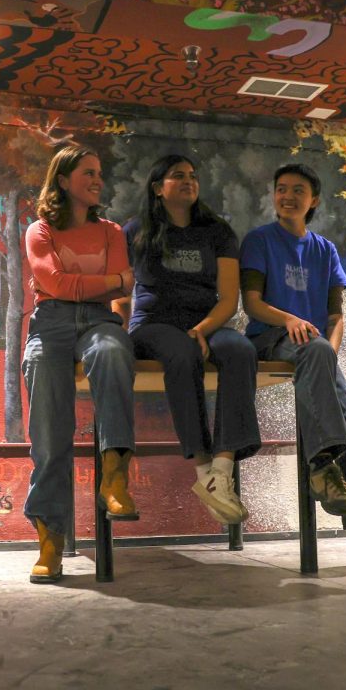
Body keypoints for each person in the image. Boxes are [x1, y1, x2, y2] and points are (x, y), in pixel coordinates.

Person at [240, 163, 346, 572]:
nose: (287, 196)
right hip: (271, 340)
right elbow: (253, 304)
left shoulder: (325, 250)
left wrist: (328, 354)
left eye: (297, 190)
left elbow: (336, 317)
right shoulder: (259, 241)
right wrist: (289, 319)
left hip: (315, 351)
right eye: (281, 189)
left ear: (313, 200)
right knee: (323, 369)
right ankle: (323, 467)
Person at [115, 154, 260, 525]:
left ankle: (220, 474)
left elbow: (229, 298)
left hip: (205, 321)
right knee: (181, 353)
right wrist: (118, 333)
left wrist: (204, 328)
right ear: (157, 188)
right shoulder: (134, 231)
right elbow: (121, 293)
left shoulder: (217, 231)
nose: (188, 181)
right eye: (177, 176)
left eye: (193, 176)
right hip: (153, 325)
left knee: (241, 350)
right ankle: (202, 467)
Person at [22, 143, 136, 583]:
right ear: (64, 179)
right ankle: (50, 543)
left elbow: (120, 283)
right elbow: (54, 282)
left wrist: (85, 286)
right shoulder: (40, 231)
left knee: (111, 350)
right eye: (87, 172)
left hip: (98, 321)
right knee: (50, 439)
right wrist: (109, 281)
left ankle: (114, 479)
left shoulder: (111, 231)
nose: (97, 180)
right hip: (48, 324)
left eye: (99, 173)